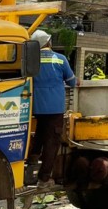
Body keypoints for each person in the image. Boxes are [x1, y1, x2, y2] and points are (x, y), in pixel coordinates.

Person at [30, 29, 76, 187]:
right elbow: (72, 81)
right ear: (49, 42)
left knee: (39, 136)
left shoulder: (31, 60)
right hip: (55, 109)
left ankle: (31, 164)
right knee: (52, 142)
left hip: (36, 108)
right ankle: (43, 178)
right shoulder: (60, 59)